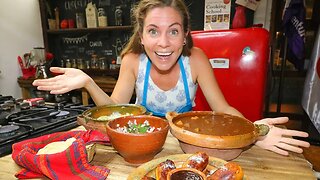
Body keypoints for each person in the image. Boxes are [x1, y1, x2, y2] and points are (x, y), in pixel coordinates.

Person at [33, 0, 310, 156]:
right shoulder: (132, 62)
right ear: (142, 37)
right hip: (143, 146)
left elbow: (223, 110)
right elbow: (113, 112)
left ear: (185, 35)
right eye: (153, 31)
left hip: (186, 146)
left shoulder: (197, 60)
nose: (163, 43)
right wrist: (88, 82)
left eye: (173, 31)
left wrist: (254, 131)